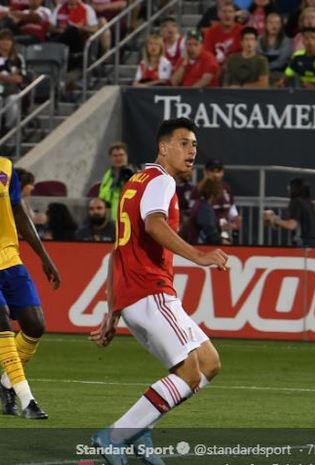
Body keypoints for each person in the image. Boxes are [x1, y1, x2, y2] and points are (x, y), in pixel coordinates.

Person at [89, 118, 229, 465]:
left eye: (194, 144)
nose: (192, 151)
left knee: (209, 363)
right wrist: (199, 256)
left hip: (135, 294)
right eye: (184, 143)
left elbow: (117, 251)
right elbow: (154, 224)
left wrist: (112, 311)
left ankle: (140, 429)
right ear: (163, 147)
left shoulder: (135, 183)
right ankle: (116, 435)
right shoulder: (161, 181)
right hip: (151, 292)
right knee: (189, 373)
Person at [0, 156, 60, 420]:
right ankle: (27, 400)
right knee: (2, 321)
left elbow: (18, 212)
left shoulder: (6, 167)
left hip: (10, 259)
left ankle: (5, 383)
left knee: (35, 325)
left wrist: (44, 256)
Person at [189, 159, 241, 243]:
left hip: (224, 231)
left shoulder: (226, 188)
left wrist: (235, 221)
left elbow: (232, 210)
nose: (215, 175)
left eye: (218, 171)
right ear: (205, 172)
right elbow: (195, 217)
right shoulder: (198, 190)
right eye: (212, 171)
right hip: (206, 235)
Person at [263, 177, 315, 247]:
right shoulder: (312, 203)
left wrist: (274, 219)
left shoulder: (296, 202)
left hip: (303, 244)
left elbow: (291, 225)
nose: (288, 188)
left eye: (290, 186)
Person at [98, 141, 135, 222]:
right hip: (111, 220)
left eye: (121, 155)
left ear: (126, 156)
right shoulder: (108, 175)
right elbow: (102, 197)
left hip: (128, 220)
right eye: (115, 156)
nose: (118, 158)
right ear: (110, 157)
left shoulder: (134, 174)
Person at [183, 177, 224, 245]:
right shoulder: (205, 208)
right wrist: (221, 242)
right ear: (215, 193)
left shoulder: (199, 204)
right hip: (199, 246)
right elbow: (209, 230)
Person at [0, 29, 26, 131]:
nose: (5, 42)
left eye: (8, 40)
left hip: (13, 90)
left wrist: (3, 77)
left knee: (12, 100)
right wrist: (11, 77)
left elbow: (20, 79)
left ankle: (8, 130)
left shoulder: (18, 59)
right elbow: (14, 77)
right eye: (2, 39)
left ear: (12, 43)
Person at [258, 11, 292, 86]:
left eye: (277, 23)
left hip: (278, 73)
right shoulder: (259, 40)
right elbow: (257, 56)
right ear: (266, 25)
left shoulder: (287, 41)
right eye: (271, 23)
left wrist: (265, 67)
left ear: (281, 25)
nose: (274, 25)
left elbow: (281, 61)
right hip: (260, 73)